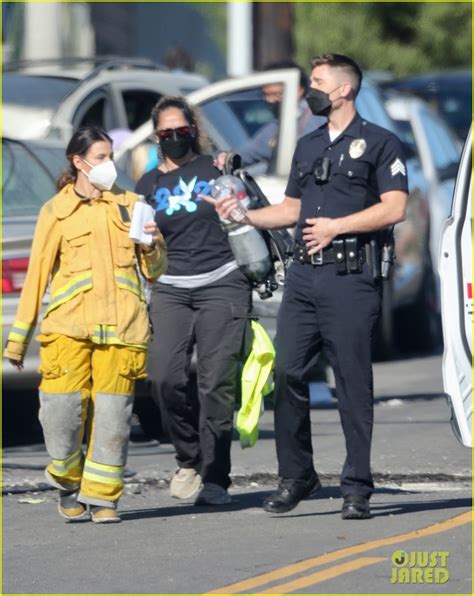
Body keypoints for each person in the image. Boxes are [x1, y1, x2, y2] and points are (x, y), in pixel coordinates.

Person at [204, 54, 409, 519]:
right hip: (304, 276)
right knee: (288, 374)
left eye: (317, 82)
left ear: (344, 90)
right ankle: (298, 475)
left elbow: (394, 208)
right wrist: (242, 216)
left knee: (353, 384)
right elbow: (290, 209)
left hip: (351, 277)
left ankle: (357, 485)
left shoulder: (380, 144)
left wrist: (338, 227)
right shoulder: (309, 144)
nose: (310, 90)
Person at [4, 127, 167, 523]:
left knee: (113, 418)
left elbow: (155, 271)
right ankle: (67, 481)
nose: (108, 164)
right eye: (99, 157)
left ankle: (104, 498)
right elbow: (38, 275)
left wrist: (152, 244)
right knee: (60, 417)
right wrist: (17, 341)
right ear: (78, 162)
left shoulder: (131, 205)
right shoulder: (55, 211)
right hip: (67, 330)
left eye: (111, 156)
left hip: (123, 330)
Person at [135, 96, 252, 506]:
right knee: (163, 376)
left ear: (194, 130)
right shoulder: (147, 185)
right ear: (156, 137)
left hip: (222, 281)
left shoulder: (215, 168)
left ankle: (217, 476)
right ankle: (189, 459)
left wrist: (233, 171)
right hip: (170, 287)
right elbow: (135, 246)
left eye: (181, 131)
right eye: (165, 133)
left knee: (216, 383)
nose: (174, 138)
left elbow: (251, 206)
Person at [218, 60, 326, 171]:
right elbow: (253, 150)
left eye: (275, 94)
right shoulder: (282, 123)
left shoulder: (315, 119)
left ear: (298, 90)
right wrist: (227, 159)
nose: (269, 100)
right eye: (265, 94)